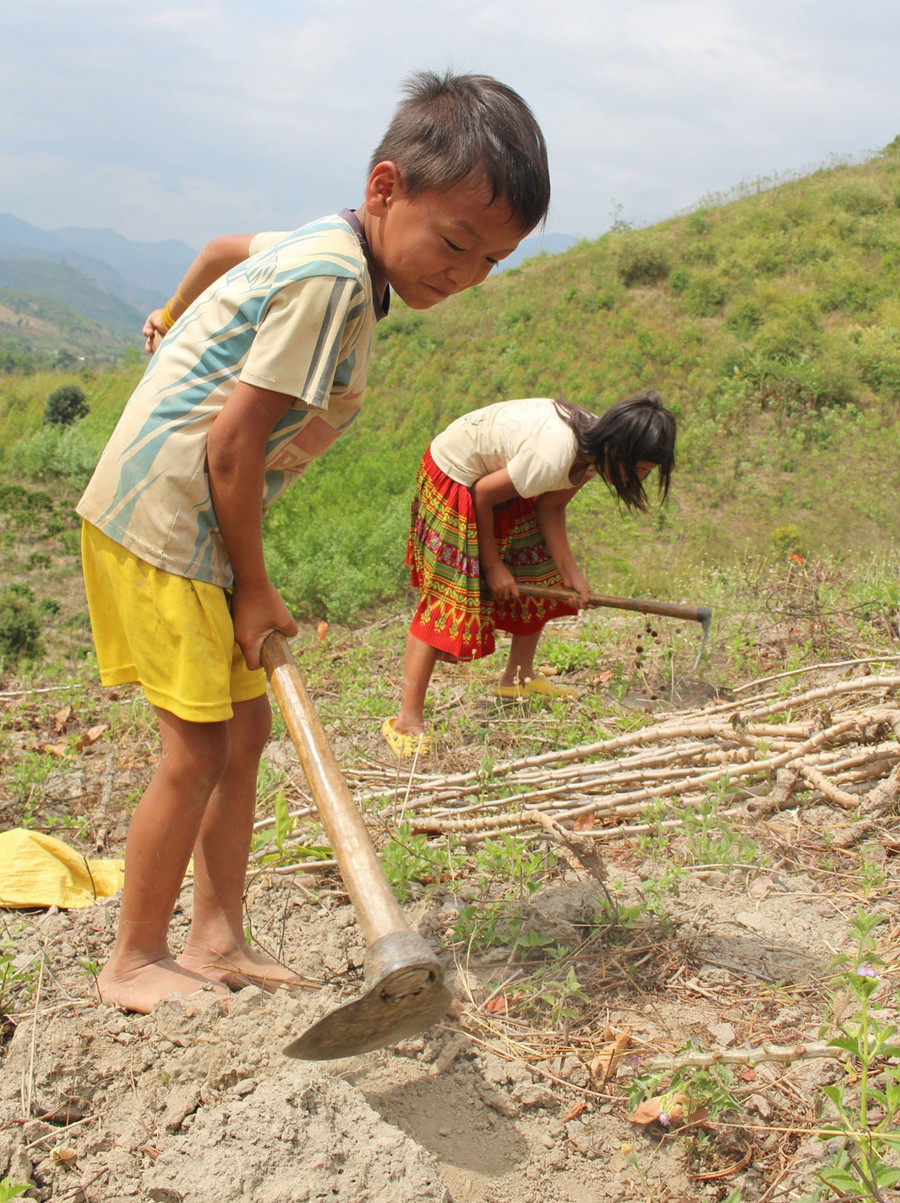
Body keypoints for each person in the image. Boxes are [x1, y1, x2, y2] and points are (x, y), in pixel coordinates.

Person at [76, 70, 551, 1014]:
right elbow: (232, 440)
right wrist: (253, 583)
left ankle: (216, 939)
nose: (462, 275)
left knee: (246, 731)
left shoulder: (328, 242)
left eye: (490, 261)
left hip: (193, 518)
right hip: (166, 519)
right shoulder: (335, 277)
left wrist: (171, 319)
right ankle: (132, 956)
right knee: (198, 747)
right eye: (454, 242)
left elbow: (218, 248)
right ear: (386, 189)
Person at [383, 393, 676, 756]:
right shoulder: (555, 454)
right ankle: (407, 722)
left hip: (501, 478)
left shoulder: (596, 448)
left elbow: (552, 506)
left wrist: (571, 574)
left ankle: (517, 679)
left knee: (540, 572)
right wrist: (492, 566)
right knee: (448, 596)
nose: (640, 479)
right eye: (642, 471)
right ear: (618, 450)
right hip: (457, 477)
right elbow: (483, 494)